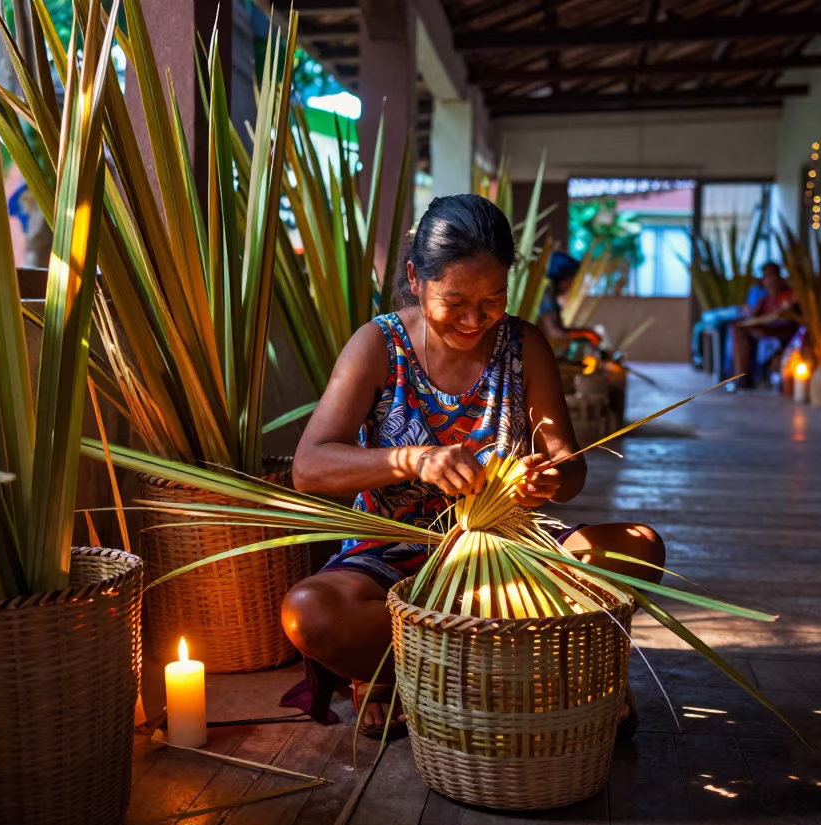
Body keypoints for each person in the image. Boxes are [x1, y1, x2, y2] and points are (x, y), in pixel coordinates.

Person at [280, 195, 666, 735]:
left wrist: (550, 477)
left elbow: (570, 468)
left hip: (513, 555)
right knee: (310, 612)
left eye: (491, 300)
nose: (473, 319)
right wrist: (412, 459)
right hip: (396, 553)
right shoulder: (379, 345)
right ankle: (520, 673)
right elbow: (310, 467)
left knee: (640, 546)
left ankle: (424, 678)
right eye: (454, 299)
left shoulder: (524, 344)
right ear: (416, 277)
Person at [730, 262, 798, 386]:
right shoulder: (764, 300)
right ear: (763, 281)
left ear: (780, 277)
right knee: (737, 330)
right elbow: (754, 317)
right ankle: (741, 378)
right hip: (763, 330)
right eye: (767, 276)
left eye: (773, 275)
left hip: (782, 331)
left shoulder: (789, 296)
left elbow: (787, 316)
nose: (771, 280)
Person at [537, 251, 601, 349]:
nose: (572, 287)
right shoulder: (545, 294)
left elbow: (560, 330)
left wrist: (585, 334)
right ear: (564, 280)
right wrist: (586, 334)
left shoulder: (553, 297)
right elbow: (552, 332)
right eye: (572, 281)